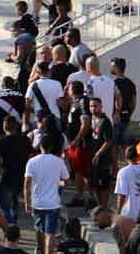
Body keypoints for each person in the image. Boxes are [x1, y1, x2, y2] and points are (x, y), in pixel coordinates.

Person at [25, 134, 70, 254]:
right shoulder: (58, 161)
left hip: (37, 203)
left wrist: (27, 202)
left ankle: (41, 251)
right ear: (51, 147)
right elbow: (67, 181)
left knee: (39, 228)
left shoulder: (32, 162)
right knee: (50, 233)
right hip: (53, 204)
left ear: (40, 146)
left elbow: (27, 184)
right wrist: (58, 183)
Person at [0, 116, 31, 224]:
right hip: (22, 173)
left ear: (5, 126)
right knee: (14, 197)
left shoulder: (3, 140)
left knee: (4, 200)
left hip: (7, 173)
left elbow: (0, 159)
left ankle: (11, 221)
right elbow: (31, 155)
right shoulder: (25, 139)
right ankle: (14, 218)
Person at [65, 80, 93, 208]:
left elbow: (86, 123)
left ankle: (87, 197)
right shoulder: (75, 102)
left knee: (83, 171)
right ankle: (82, 195)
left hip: (81, 143)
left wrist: (77, 140)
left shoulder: (82, 102)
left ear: (73, 89)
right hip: (75, 143)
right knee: (78, 170)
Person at [89, 97, 115, 209]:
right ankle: (100, 208)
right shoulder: (93, 119)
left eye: (96, 106)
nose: (93, 108)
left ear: (101, 106)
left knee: (103, 186)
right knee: (96, 185)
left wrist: (98, 154)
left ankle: (104, 208)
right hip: (94, 159)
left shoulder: (105, 121)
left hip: (103, 159)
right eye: (91, 106)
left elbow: (109, 141)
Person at [114, 145, 140, 221]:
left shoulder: (123, 172)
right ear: (137, 156)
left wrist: (118, 212)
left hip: (129, 214)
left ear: (125, 157)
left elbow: (122, 195)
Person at [25, 62, 63, 127]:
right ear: (49, 70)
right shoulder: (57, 84)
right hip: (55, 116)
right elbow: (60, 103)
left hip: (39, 119)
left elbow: (27, 105)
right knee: (56, 136)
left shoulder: (32, 85)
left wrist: (26, 122)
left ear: (38, 72)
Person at [6, 20, 35, 93]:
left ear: (19, 29)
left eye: (13, 30)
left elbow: (19, 59)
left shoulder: (21, 38)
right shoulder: (30, 36)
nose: (12, 33)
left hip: (23, 71)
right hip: (30, 69)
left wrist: (12, 57)